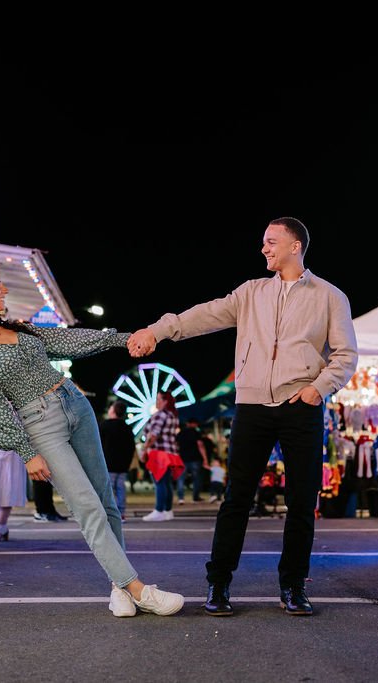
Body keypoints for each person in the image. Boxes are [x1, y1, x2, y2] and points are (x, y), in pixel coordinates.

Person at [129, 217, 358, 617]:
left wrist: (316, 389)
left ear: (295, 246)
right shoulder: (251, 293)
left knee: (302, 502)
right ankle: (218, 584)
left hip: (300, 407)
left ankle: (293, 586)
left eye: (271, 242)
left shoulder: (329, 296)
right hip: (252, 407)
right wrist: (158, 329)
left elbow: (345, 356)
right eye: (263, 243)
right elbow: (204, 315)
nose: (264, 249)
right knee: (236, 499)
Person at [0, 263, 183, 617]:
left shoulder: (20, 329)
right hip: (41, 425)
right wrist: (26, 452)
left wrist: (124, 339)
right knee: (86, 506)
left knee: (106, 502)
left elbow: (69, 340)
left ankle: (119, 587)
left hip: (76, 405)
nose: (4, 290)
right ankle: (138, 590)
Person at [140, 391, 184, 522]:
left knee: (159, 482)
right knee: (166, 483)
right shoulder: (173, 415)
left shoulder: (159, 415)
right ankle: (167, 510)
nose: (156, 402)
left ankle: (158, 510)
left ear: (166, 401)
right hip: (171, 453)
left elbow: (153, 434)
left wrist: (144, 449)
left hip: (159, 452)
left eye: (159, 399)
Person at [100, 400, 136, 521]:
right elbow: (131, 446)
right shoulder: (127, 427)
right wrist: (128, 462)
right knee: (121, 488)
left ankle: (112, 513)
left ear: (114, 411)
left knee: (110, 489)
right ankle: (121, 513)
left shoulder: (104, 425)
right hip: (123, 464)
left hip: (108, 463)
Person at [175, 418, 207, 503]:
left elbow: (176, 445)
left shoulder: (181, 433)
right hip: (195, 458)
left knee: (181, 478)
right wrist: (205, 459)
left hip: (183, 458)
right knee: (196, 478)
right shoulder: (196, 433)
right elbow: (200, 445)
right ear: (193, 424)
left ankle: (181, 498)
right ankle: (195, 497)